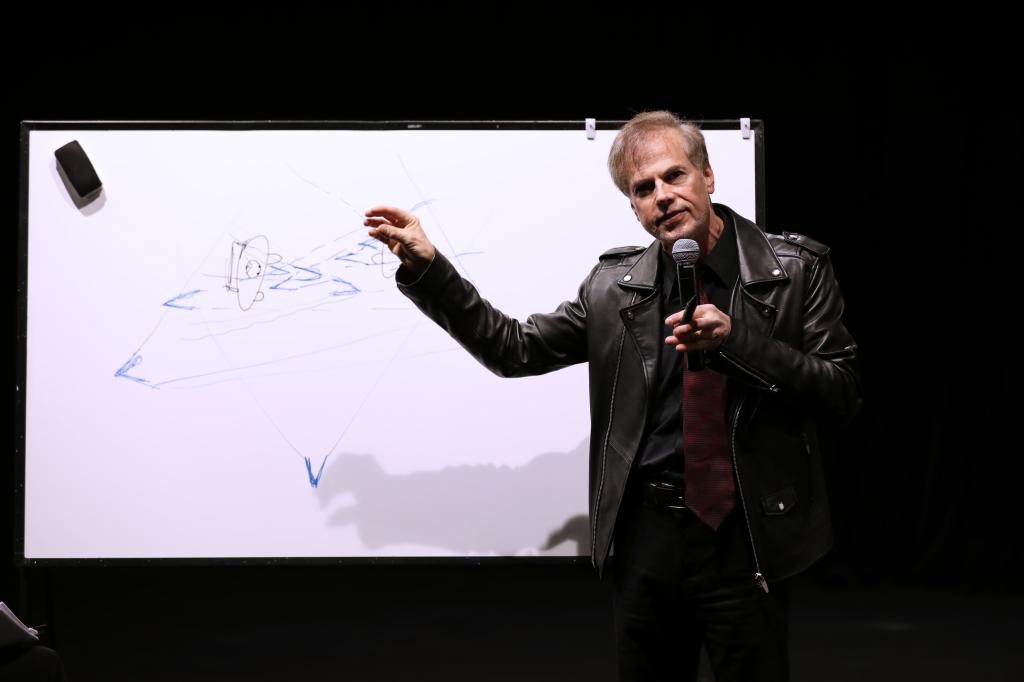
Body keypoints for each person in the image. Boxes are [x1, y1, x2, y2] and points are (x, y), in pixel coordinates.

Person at [364, 111, 861, 682]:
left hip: (744, 536)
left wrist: (736, 342)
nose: (663, 196)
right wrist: (430, 268)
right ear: (634, 208)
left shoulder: (795, 271)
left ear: (708, 176)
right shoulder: (613, 289)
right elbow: (514, 349)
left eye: (674, 176)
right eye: (643, 189)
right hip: (648, 539)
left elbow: (841, 392)